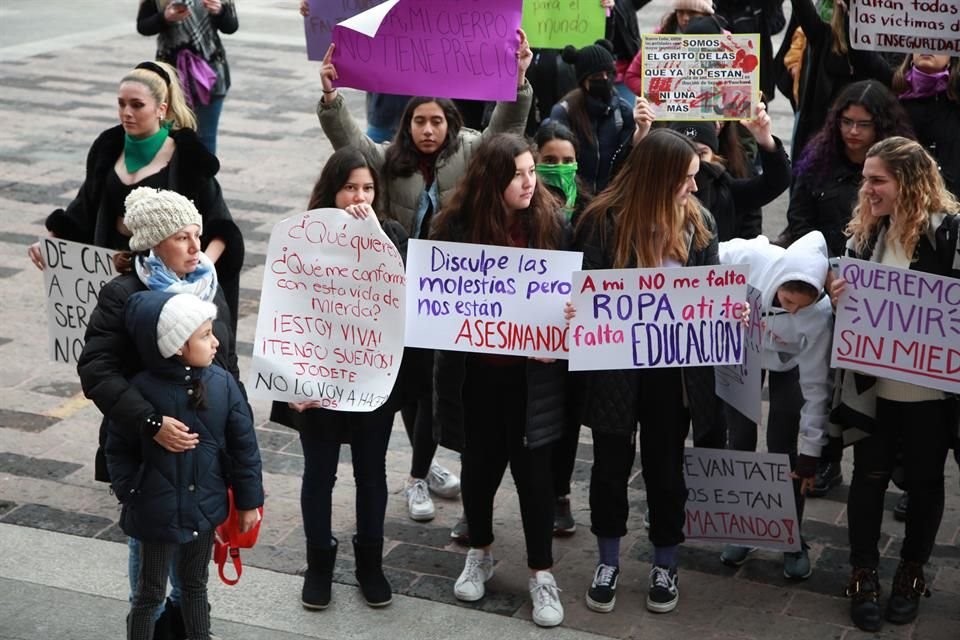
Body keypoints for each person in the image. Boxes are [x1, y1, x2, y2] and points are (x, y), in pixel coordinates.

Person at [317, 37, 533, 536]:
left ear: (451, 123)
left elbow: (509, 127)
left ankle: (424, 466)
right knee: (413, 387)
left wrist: (519, 79)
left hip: (455, 292)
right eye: (420, 121)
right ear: (407, 125)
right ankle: (421, 469)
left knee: (443, 384)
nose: (429, 130)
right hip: (400, 292)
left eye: (437, 121)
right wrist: (331, 99)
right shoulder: (389, 163)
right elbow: (349, 142)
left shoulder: (475, 152)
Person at [77, 187, 239, 640]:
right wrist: (150, 422)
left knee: (192, 573)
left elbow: (226, 362)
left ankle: (180, 625)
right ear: (152, 244)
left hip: (200, 451)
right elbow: (96, 369)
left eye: (196, 235)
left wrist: (229, 432)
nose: (195, 248)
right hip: (147, 450)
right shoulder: (124, 293)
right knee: (147, 563)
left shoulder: (207, 281)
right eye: (181, 238)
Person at [570, 128, 719, 615]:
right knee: (610, 467)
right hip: (614, 366)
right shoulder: (604, 223)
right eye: (687, 179)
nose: (694, 189)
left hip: (671, 374)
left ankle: (664, 563)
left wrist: (727, 312)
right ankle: (608, 562)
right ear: (660, 179)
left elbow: (710, 297)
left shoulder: (700, 226)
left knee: (665, 470)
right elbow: (583, 289)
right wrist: (575, 309)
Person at [431, 133, 568, 628]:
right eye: (517, 174)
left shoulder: (554, 224)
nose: (529, 182)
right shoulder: (455, 227)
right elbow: (434, 295)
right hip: (476, 379)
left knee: (536, 480)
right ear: (492, 180)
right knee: (481, 471)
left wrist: (570, 310)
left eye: (532, 171)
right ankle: (481, 552)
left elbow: (577, 286)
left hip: (533, 380)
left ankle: (541, 573)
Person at [829, 136, 960, 632]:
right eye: (864, 178)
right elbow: (851, 319)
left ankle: (911, 573)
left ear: (908, 183)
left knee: (926, 483)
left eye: (876, 180)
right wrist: (838, 297)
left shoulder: (951, 236)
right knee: (867, 478)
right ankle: (863, 574)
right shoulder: (862, 238)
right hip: (874, 390)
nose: (866, 189)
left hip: (930, 395)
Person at [268, 147, 408, 610]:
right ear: (332, 190)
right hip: (319, 385)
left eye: (368, 188)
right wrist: (291, 382)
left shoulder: (393, 235)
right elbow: (285, 314)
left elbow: (402, 305)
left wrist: (373, 240)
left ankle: (370, 563)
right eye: (351, 187)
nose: (360, 197)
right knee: (319, 474)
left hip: (372, 383)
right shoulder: (302, 238)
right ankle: (319, 565)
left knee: (372, 474)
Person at [27, 61, 244, 336]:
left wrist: (198, 272)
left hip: (164, 278)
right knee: (110, 353)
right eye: (121, 104)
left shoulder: (188, 157)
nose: (126, 113)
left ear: (161, 109)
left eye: (137, 105)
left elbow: (222, 227)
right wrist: (52, 238)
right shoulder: (108, 148)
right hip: (111, 270)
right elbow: (84, 207)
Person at [781, 81, 914, 496]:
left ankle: (899, 465)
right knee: (828, 377)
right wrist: (820, 273)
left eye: (863, 124)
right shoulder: (816, 165)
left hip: (880, 291)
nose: (853, 131)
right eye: (846, 122)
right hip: (827, 284)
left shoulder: (898, 169)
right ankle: (827, 458)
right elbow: (799, 222)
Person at [106, 290, 261, 640]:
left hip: (203, 509)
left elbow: (244, 447)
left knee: (195, 586)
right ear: (178, 346)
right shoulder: (141, 390)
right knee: (149, 594)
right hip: (155, 514)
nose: (216, 343)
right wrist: (134, 491)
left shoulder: (222, 385)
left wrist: (250, 502)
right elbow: (116, 447)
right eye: (205, 335)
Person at [717, 230, 834, 578]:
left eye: (800, 306)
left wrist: (813, 450)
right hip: (740, 349)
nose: (792, 308)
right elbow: (705, 261)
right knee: (739, 441)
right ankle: (741, 528)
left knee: (784, 448)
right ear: (779, 281)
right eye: (787, 300)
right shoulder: (750, 257)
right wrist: (723, 300)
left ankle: (790, 536)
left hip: (789, 363)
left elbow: (816, 386)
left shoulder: (819, 316)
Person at [534, 122, 593, 537]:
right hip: (530, 334)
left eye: (567, 161)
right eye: (549, 161)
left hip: (575, 333)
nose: (559, 168)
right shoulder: (518, 208)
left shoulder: (591, 213)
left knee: (569, 417)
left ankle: (559, 494)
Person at [664, 103, 791, 241]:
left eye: (701, 154)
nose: (693, 165)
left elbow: (777, 182)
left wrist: (766, 140)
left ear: (714, 156)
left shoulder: (726, 189)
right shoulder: (656, 191)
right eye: (683, 155)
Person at [137, 0, 239, 155]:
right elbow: (143, 26)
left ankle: (203, 179)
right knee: (169, 136)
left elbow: (231, 26)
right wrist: (165, 17)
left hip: (210, 74)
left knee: (205, 138)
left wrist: (220, 11)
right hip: (171, 75)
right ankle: (171, 178)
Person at [546, 39, 635, 193]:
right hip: (574, 196)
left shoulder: (623, 110)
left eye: (609, 74)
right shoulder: (564, 112)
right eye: (598, 76)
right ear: (583, 81)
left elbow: (628, 157)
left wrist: (642, 130)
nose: (605, 79)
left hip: (610, 197)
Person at [891, 54, 960, 198]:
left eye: (938, 43)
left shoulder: (955, 97)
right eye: (921, 39)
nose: (928, 48)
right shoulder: (891, 92)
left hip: (952, 196)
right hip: (904, 194)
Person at [623, 0, 717, 95]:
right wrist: (655, 94)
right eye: (680, 12)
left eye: (692, 12)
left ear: (706, 14)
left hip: (706, 105)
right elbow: (632, 76)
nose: (685, 18)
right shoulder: (660, 38)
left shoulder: (724, 40)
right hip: (666, 107)